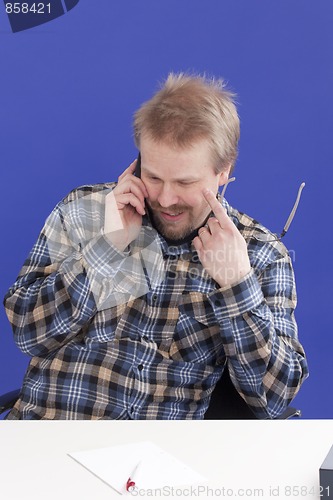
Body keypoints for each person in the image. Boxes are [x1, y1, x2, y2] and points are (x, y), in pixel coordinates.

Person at [4, 73, 308, 420]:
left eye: (185, 182)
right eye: (153, 177)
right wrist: (106, 249)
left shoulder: (261, 254)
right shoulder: (84, 211)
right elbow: (28, 334)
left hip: (158, 463)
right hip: (48, 438)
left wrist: (238, 285)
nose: (166, 199)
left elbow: (274, 398)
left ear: (224, 170)